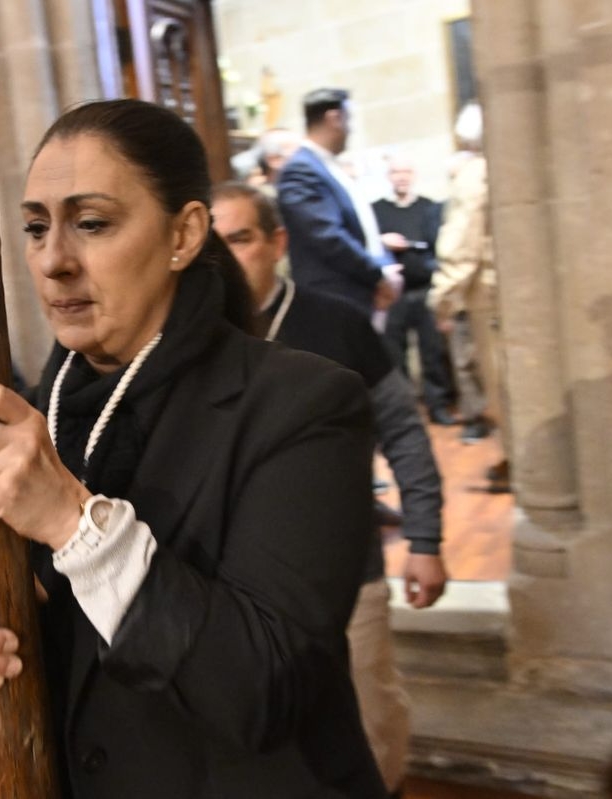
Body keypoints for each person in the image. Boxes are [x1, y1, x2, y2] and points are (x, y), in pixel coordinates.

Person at [0, 99, 387, 798]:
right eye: (36, 228)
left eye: (92, 223)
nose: (53, 261)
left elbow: (267, 693)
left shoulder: (303, 403)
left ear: (183, 234)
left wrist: (72, 523)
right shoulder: (37, 417)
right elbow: (17, 688)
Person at [213, 181, 447, 797]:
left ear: (277, 243)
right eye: (214, 243)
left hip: (346, 572)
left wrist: (424, 538)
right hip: (236, 581)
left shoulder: (337, 323)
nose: (225, 258)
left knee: (370, 721)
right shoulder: (196, 339)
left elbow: (403, 431)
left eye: (240, 239)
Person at [430, 102, 511, 490]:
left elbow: (462, 244)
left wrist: (442, 297)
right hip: (512, 290)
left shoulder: (476, 174)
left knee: (502, 384)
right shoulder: (508, 166)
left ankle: (522, 460)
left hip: (489, 295)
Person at [277, 87, 402, 317]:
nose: (350, 129)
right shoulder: (301, 169)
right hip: (334, 296)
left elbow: (364, 229)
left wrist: (385, 266)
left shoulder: (326, 165)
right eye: (349, 119)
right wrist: (378, 275)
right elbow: (327, 235)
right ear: (334, 118)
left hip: (356, 291)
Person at [372, 157, 456, 425]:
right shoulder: (376, 210)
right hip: (392, 294)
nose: (401, 176)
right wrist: (382, 241)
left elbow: (441, 246)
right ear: (388, 176)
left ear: (414, 174)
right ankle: (405, 411)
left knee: (433, 353)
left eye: (406, 171)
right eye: (396, 172)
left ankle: (437, 406)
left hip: (426, 290)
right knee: (395, 356)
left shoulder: (429, 207)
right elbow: (365, 245)